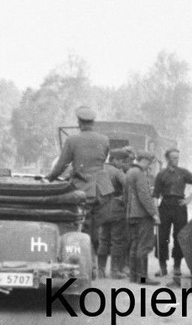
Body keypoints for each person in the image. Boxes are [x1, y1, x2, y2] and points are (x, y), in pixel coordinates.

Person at [44, 106, 111, 238]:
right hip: (103, 188)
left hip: (83, 186)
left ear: (79, 123)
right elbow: (101, 162)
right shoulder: (105, 140)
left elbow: (61, 166)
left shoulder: (72, 141)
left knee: (77, 222)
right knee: (99, 227)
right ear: (93, 123)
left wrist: (49, 178)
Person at [152, 148, 192, 281]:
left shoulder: (183, 173)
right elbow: (155, 194)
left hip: (180, 207)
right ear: (167, 159)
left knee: (179, 236)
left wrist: (188, 199)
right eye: (173, 158)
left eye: (177, 158)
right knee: (162, 237)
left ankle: (177, 266)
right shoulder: (161, 174)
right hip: (165, 206)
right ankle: (162, 266)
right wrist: (156, 212)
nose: (176, 160)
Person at [93, 147, 133, 279]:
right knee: (117, 240)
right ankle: (115, 271)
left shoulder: (100, 170)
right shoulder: (117, 172)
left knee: (103, 240)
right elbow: (129, 186)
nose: (123, 164)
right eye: (122, 161)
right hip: (117, 210)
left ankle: (100, 270)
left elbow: (102, 190)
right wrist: (123, 199)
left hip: (102, 209)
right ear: (115, 160)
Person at [125, 150, 160, 285]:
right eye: (149, 163)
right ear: (144, 161)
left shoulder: (129, 172)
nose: (149, 166)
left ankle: (133, 276)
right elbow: (144, 196)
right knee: (144, 245)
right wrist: (154, 214)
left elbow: (126, 195)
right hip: (142, 215)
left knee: (134, 245)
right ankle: (143, 277)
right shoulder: (139, 173)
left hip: (131, 214)